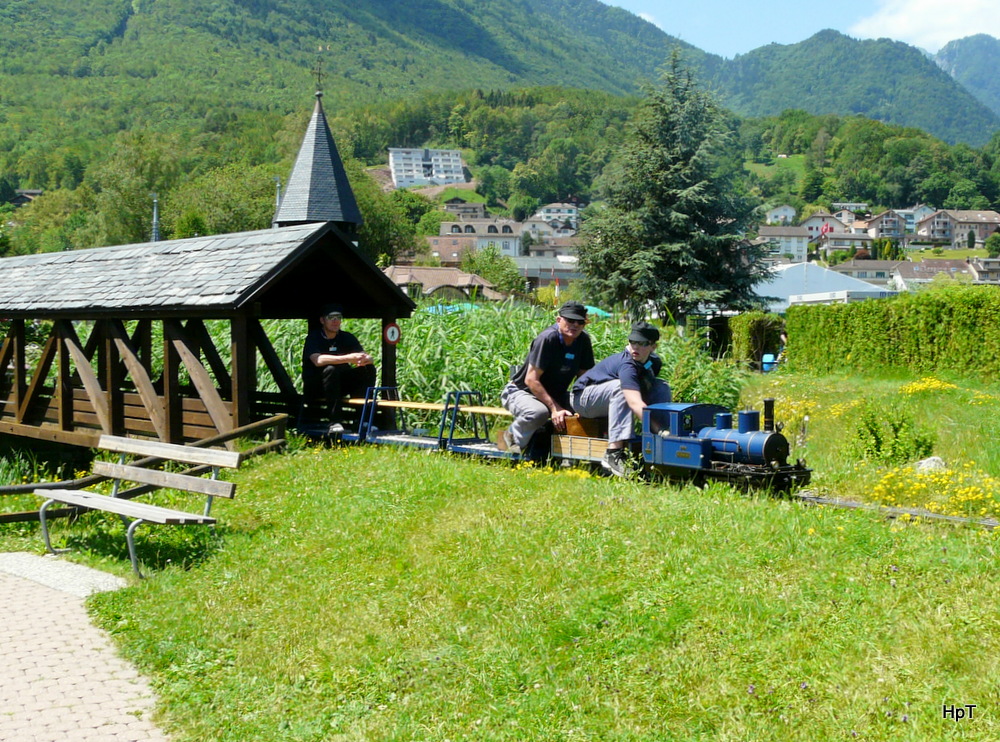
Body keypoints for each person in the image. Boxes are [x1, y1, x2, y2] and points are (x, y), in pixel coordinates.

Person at [571, 321, 671, 476]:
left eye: (642, 343)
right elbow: (634, 402)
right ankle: (613, 453)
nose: (635, 347)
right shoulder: (627, 365)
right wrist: (658, 428)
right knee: (622, 388)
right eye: (632, 342)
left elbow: (645, 388)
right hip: (583, 399)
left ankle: (663, 443)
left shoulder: (653, 362)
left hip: (606, 398)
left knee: (661, 386)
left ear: (653, 347)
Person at [500, 300, 595, 455]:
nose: (575, 325)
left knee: (589, 410)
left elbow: (584, 377)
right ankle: (510, 437)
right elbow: (531, 380)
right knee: (539, 412)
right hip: (522, 392)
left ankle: (575, 455)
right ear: (559, 320)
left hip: (556, 395)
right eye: (570, 320)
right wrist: (555, 409)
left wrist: (583, 404)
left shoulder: (583, 341)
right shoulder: (547, 339)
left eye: (580, 322)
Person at [301, 303, 376, 435]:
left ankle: (362, 420)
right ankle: (335, 422)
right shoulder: (314, 338)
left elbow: (366, 356)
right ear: (322, 320)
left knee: (368, 369)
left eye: (338, 317)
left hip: (340, 385)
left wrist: (365, 359)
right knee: (331, 370)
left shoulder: (347, 337)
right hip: (317, 386)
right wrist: (348, 358)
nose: (335, 321)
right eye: (331, 317)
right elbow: (318, 360)